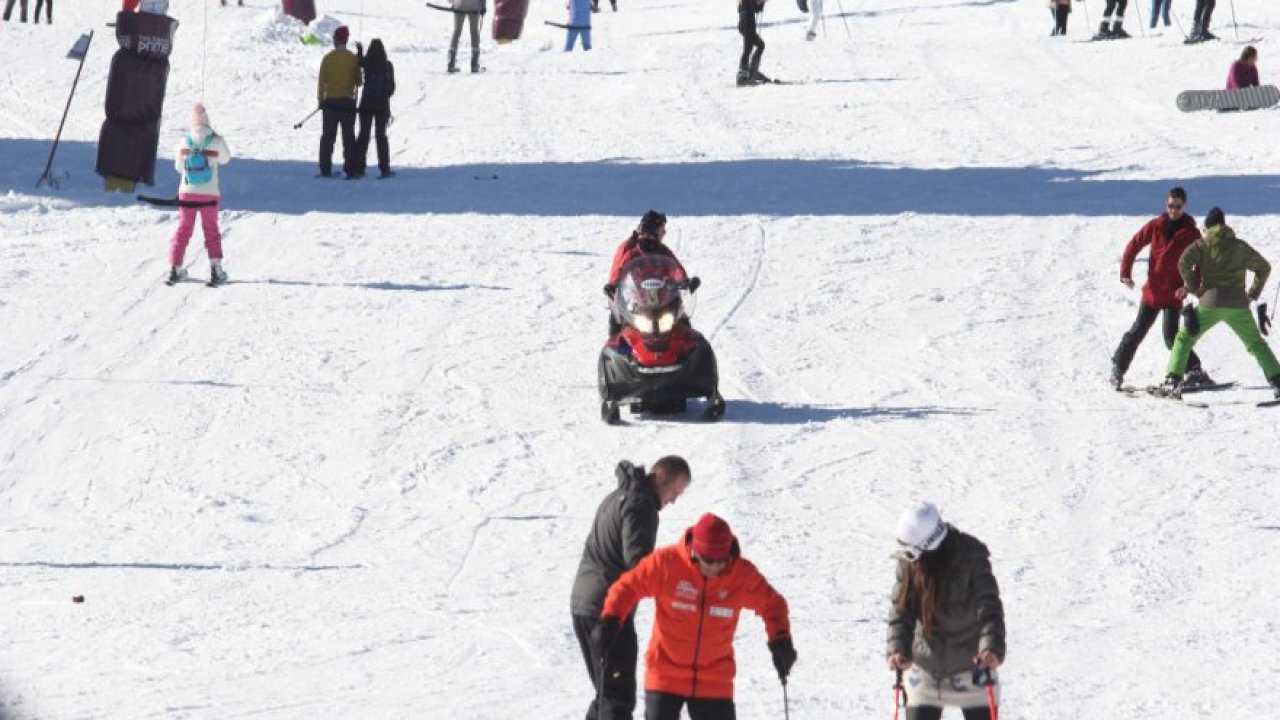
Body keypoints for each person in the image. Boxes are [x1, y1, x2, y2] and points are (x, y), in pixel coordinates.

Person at [594, 512, 796, 720]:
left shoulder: (741, 575)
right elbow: (627, 587)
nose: (714, 567)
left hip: (715, 680)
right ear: (694, 551)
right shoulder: (667, 563)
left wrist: (781, 639)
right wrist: (611, 619)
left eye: (721, 560)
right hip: (665, 674)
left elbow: (773, 605)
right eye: (708, 560)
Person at [570, 457, 693, 720]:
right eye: (674, 491)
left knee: (608, 692)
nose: (673, 500)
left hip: (584, 603)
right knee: (617, 697)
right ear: (660, 476)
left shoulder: (617, 497)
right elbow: (638, 563)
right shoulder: (641, 505)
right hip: (608, 609)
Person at [886, 502, 1005, 720]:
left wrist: (991, 647)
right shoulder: (910, 562)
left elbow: (989, 607)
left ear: (927, 545)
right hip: (925, 670)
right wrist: (897, 648)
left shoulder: (971, 556)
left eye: (911, 553)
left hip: (973, 668)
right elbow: (901, 610)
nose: (908, 559)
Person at [1157, 208, 1280, 399]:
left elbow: (1183, 263)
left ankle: (1173, 380)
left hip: (1210, 303)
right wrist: (1252, 294)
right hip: (1238, 305)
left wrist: (1195, 288)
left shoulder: (1203, 244)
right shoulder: (1240, 246)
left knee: (1183, 338)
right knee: (1256, 343)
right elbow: (1264, 268)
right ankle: (1278, 381)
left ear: (1207, 227)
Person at [1111, 187, 1212, 389]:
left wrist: (1189, 285)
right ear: (1166, 204)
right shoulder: (1155, 226)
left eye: (1178, 207)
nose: (1173, 210)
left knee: (1171, 338)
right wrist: (1125, 272)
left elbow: (1203, 261)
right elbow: (1133, 245)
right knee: (1137, 332)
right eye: (1170, 206)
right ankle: (1117, 369)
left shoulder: (1191, 232)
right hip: (1152, 293)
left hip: (1173, 296)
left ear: (1185, 206)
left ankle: (1195, 369)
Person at [168, 103, 231, 286]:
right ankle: (216, 269)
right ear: (207, 120)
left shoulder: (184, 141)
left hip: (186, 193)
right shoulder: (216, 140)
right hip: (209, 194)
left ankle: (175, 268)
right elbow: (226, 159)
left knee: (183, 229)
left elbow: (179, 167)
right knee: (211, 230)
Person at [604, 211, 693, 335]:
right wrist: (612, 286)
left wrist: (685, 282)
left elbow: (676, 269)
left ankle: (691, 345)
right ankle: (616, 344)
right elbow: (619, 271)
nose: (664, 232)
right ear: (654, 231)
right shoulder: (631, 252)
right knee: (617, 322)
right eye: (662, 229)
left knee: (683, 322)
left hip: (663, 302)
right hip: (636, 303)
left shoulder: (664, 251)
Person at [317, 26, 361, 179]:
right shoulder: (353, 58)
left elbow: (321, 82)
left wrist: (320, 101)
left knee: (328, 138)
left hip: (330, 103)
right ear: (346, 40)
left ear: (336, 40)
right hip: (347, 102)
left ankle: (325, 169)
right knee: (348, 138)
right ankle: (349, 169)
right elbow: (359, 81)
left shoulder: (328, 58)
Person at [355, 39, 395, 179]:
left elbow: (358, 62)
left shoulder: (367, 63)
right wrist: (384, 96)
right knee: (381, 136)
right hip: (382, 106)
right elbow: (391, 88)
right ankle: (384, 168)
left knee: (364, 135)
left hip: (366, 104)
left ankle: (359, 167)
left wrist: (359, 51)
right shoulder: (387, 65)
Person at [447, 0, 485, 73]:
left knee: (457, 31)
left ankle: (451, 63)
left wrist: (453, 3)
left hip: (459, 5)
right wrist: (483, 6)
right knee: (474, 31)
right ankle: (474, 64)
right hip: (474, 6)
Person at [737, 0, 768, 86]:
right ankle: (742, 76)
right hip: (747, 24)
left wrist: (761, 3)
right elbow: (753, 7)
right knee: (748, 49)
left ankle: (753, 71)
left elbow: (756, 9)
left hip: (747, 24)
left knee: (760, 45)